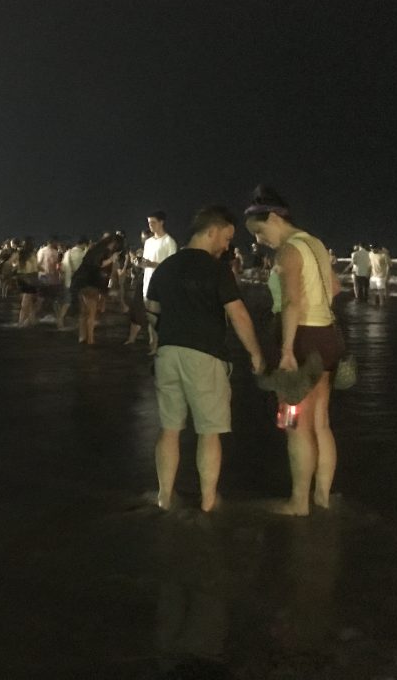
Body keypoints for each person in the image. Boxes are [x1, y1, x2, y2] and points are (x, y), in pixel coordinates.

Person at [146, 206, 263, 512]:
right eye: (225, 238)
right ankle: (209, 502)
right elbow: (237, 314)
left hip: (167, 354)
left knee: (169, 429)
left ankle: (164, 497)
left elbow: (151, 312)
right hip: (205, 355)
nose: (226, 246)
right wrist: (256, 355)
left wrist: (156, 345)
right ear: (212, 231)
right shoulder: (216, 269)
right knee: (209, 432)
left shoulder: (165, 267)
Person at [245, 186, 342, 515]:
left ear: (274, 218)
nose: (259, 241)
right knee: (321, 423)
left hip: (301, 340)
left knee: (296, 424)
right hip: (327, 336)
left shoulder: (288, 250)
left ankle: (299, 502)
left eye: (260, 232)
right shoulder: (314, 243)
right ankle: (323, 497)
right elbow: (337, 286)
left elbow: (290, 302)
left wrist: (286, 350)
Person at [72, 234, 123, 345]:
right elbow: (99, 264)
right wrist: (112, 259)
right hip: (90, 283)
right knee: (91, 313)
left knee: (83, 312)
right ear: (113, 243)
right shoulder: (104, 252)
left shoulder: (94, 249)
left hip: (79, 282)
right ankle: (90, 340)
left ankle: (82, 337)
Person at [141, 211, 178, 354]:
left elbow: (172, 266)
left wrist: (151, 264)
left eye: (153, 222)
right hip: (147, 283)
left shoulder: (169, 242)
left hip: (162, 285)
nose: (150, 225)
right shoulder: (149, 242)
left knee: (160, 317)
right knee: (150, 316)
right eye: (149, 223)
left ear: (162, 222)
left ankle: (161, 345)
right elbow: (146, 262)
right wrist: (141, 263)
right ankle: (153, 344)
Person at [10, 236, 40, 327]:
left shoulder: (20, 253)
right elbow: (36, 267)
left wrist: (16, 267)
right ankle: (21, 322)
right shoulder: (32, 254)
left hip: (21, 278)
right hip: (30, 278)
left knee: (28, 300)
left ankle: (32, 319)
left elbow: (12, 262)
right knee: (26, 301)